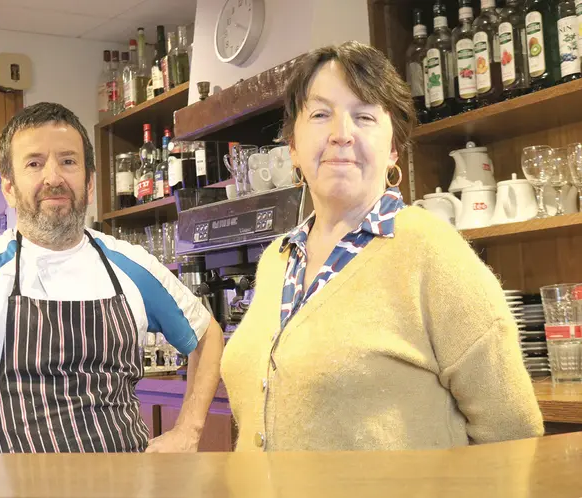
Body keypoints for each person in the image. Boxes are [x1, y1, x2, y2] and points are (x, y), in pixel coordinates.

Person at [220, 42, 544, 452]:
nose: (341, 134)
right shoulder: (277, 259)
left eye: (365, 116)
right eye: (320, 115)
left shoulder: (432, 251)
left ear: (392, 149)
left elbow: (512, 436)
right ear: (293, 148)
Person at [0, 102, 224, 453]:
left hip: (130, 485)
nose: (53, 178)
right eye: (34, 164)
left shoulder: (130, 264)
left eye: (68, 161)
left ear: (90, 182)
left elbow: (207, 333)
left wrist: (188, 430)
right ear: (8, 187)